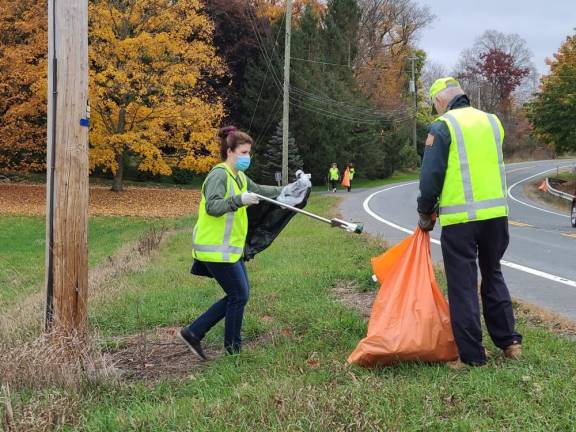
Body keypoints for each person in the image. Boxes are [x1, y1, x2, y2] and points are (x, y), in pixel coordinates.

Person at [417, 77, 522, 369]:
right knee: (493, 274)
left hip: (461, 220)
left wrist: (425, 210)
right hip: (496, 216)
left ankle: (473, 356)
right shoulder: (493, 122)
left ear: (440, 101)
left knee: (462, 285)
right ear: (462, 95)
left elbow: (431, 176)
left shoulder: (443, 126)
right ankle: (510, 343)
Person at [180, 126, 283, 359]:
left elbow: (260, 191)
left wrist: (287, 190)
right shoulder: (219, 175)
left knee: (239, 295)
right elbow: (213, 206)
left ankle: (194, 332)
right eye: (244, 153)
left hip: (229, 250)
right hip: (215, 250)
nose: (248, 157)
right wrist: (238, 200)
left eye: (249, 153)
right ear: (230, 151)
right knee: (238, 295)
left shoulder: (239, 176)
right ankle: (232, 350)